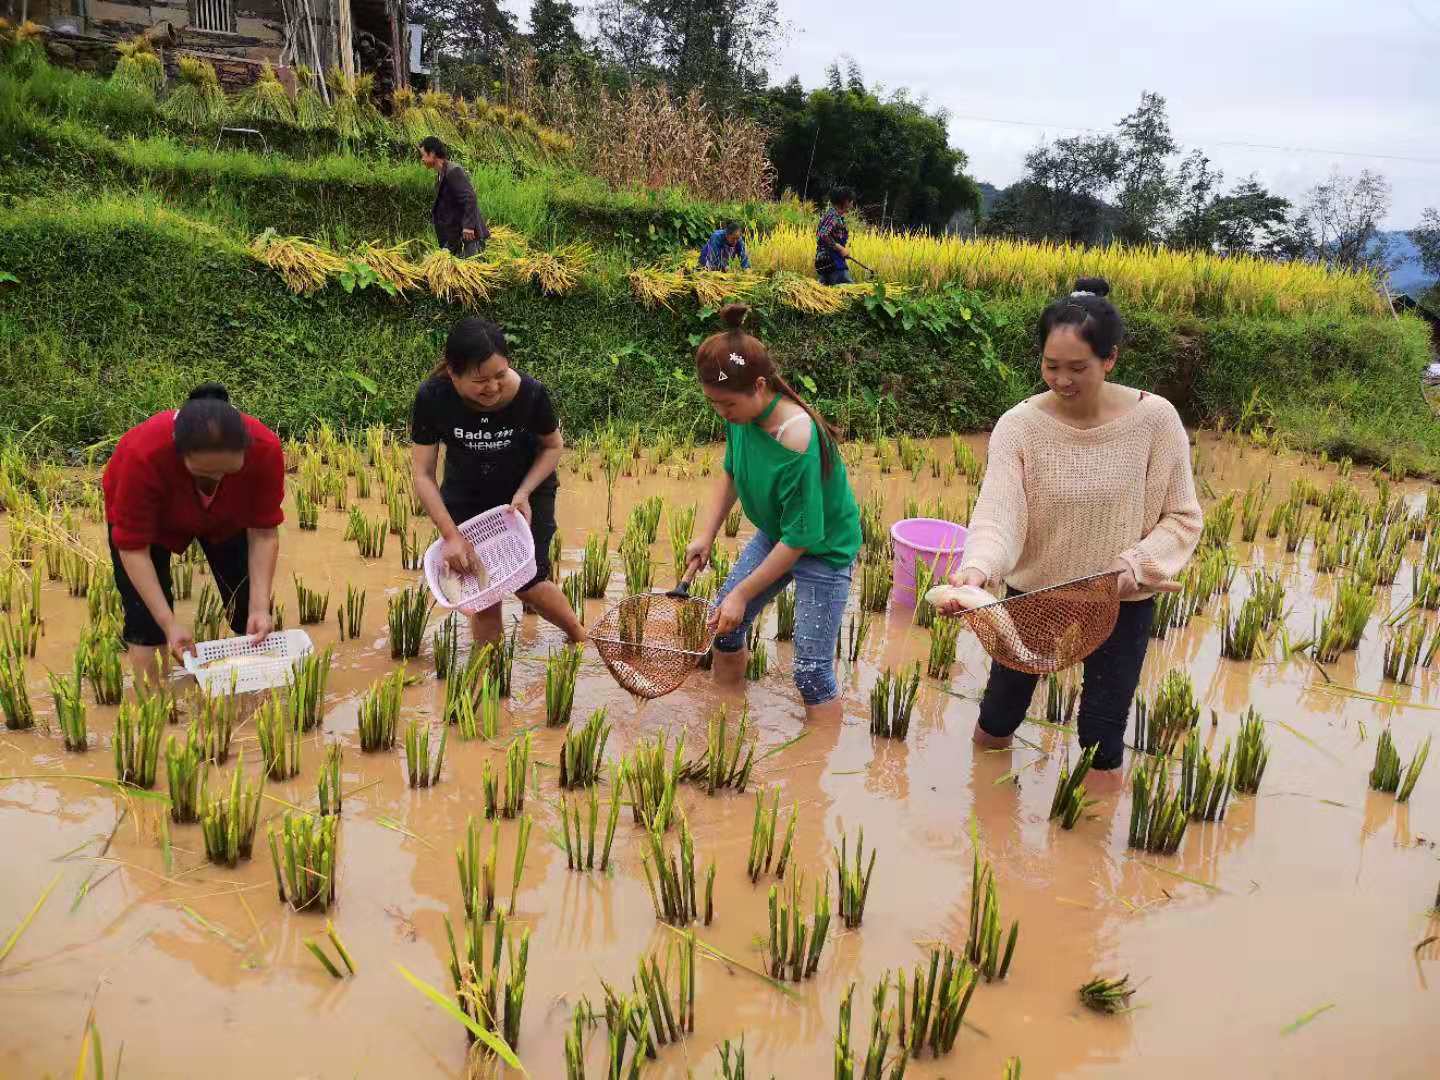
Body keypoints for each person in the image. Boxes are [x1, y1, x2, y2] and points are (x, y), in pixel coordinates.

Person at [940, 277, 1202, 793]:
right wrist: (977, 570)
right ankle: (984, 812)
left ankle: (1091, 845)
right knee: (998, 716)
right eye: (1051, 366)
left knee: (1102, 735)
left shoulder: (1156, 421)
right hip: (1037, 598)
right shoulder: (1019, 426)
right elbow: (999, 514)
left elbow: (1182, 517)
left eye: (1078, 368)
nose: (1062, 380)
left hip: (1118, 600)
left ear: (1110, 360)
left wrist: (1136, 566)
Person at [685, 304, 862, 724]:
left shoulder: (797, 438)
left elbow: (801, 539)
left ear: (759, 386)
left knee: (811, 672)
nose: (721, 413)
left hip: (823, 548)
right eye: (713, 404)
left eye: (726, 404)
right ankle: (725, 719)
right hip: (776, 533)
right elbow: (731, 473)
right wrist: (705, 535)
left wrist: (741, 593)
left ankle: (819, 766)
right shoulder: (738, 414)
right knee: (723, 628)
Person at [411, 317, 584, 648]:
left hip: (526, 489)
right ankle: (492, 684)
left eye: (500, 375)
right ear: (452, 373)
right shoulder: (434, 398)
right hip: (468, 491)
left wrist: (523, 493)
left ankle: (578, 635)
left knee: (529, 581)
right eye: (479, 380)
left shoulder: (531, 394)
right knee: (483, 590)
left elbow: (553, 446)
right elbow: (422, 474)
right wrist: (451, 536)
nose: (492, 388)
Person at [103, 384, 284, 679]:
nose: (216, 481)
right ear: (178, 453)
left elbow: (263, 532)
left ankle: (255, 698)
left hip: (228, 517)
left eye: (228, 473)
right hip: (156, 520)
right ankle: (156, 712)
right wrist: (169, 624)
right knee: (146, 624)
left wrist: (261, 608)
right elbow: (133, 548)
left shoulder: (265, 450)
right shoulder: (143, 455)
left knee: (249, 608)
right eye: (204, 474)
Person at [420, 135, 489, 257]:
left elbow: (470, 198)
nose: (422, 159)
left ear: (433, 154)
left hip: (469, 237)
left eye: (423, 155)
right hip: (455, 237)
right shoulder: (441, 175)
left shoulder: (453, 171)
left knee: (471, 271)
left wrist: (468, 226)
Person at [815, 186, 855, 286]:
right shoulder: (832, 216)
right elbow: (823, 235)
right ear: (845, 201)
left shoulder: (838, 217)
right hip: (832, 261)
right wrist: (840, 248)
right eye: (851, 201)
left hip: (830, 261)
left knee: (826, 293)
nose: (852, 204)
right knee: (849, 290)